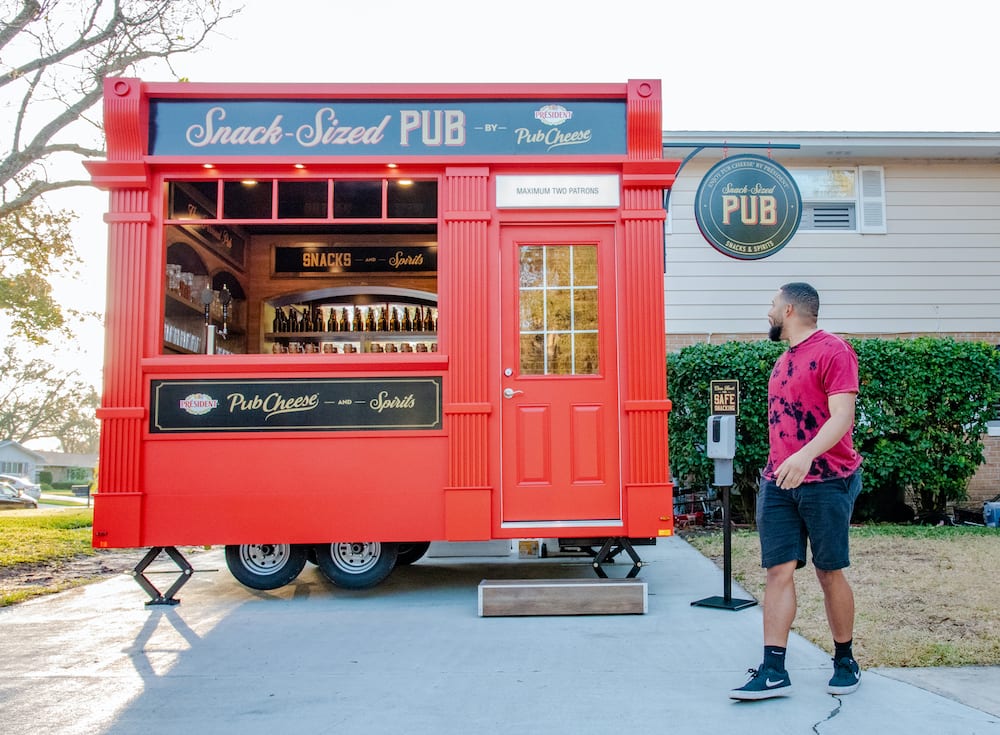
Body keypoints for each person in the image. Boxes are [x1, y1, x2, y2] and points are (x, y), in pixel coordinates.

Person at [731, 282, 863, 701]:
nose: (767, 312)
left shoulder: (834, 351)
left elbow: (842, 416)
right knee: (777, 571)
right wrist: (781, 466)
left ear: (789, 309)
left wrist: (805, 456)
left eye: (771, 304)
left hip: (827, 479)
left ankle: (845, 659)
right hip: (778, 481)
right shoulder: (784, 360)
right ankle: (773, 669)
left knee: (828, 571)